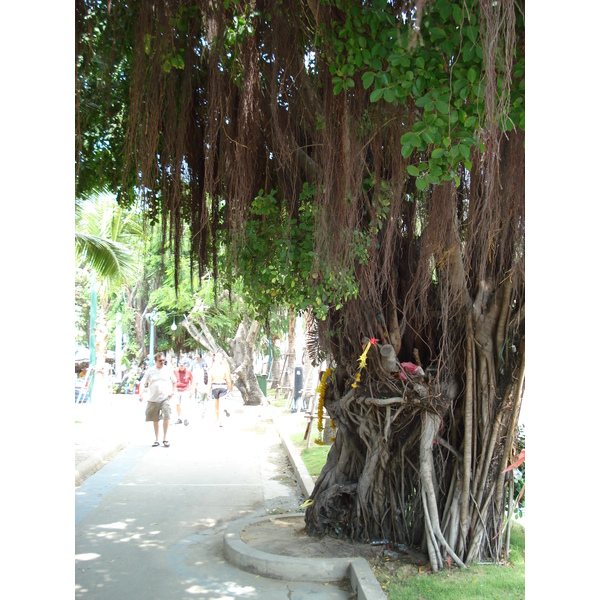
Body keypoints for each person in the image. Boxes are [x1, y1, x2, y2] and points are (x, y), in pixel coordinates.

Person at [137, 352, 177, 447]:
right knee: (155, 419)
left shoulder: (168, 370)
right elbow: (143, 382)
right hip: (153, 398)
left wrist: (172, 391)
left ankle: (165, 438)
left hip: (165, 398)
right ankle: (157, 439)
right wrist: (140, 394)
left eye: (163, 360)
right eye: (160, 361)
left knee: (166, 416)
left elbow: (175, 382)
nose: (162, 362)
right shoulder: (151, 371)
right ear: (155, 361)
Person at [207, 353, 232, 426]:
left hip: (215, 386)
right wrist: (230, 389)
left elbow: (209, 382)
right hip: (223, 386)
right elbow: (228, 380)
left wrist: (208, 392)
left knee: (216, 405)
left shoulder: (211, 369)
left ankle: (218, 420)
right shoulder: (224, 369)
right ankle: (221, 418)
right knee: (222, 402)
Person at [173, 359, 193, 425]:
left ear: (185, 365)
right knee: (177, 404)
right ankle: (179, 418)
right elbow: (172, 380)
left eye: (182, 365)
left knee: (184, 404)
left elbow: (192, 381)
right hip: (177, 389)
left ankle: (185, 419)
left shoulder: (188, 371)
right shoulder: (175, 371)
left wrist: (192, 390)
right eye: (180, 365)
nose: (181, 367)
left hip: (185, 389)